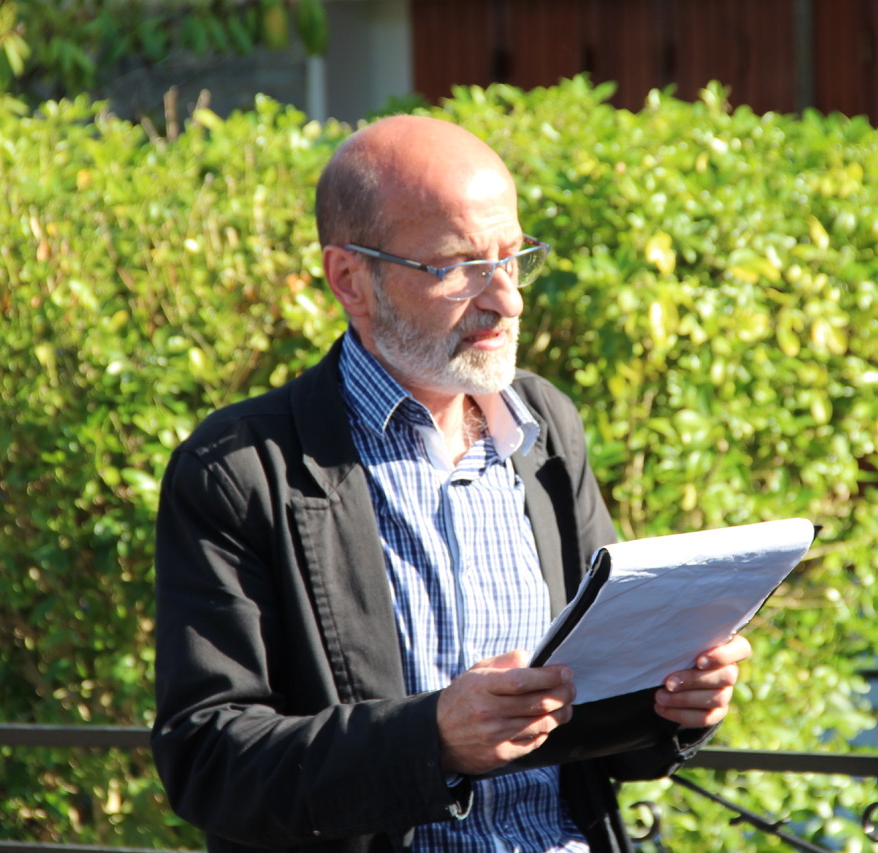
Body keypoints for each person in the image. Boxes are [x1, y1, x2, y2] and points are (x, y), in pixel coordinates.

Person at [151, 114, 752, 853]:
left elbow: (603, 716)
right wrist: (431, 740)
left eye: (513, 257)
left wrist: (673, 699)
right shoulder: (243, 469)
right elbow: (208, 760)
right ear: (350, 279)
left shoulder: (544, 426)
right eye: (460, 267)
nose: (508, 299)